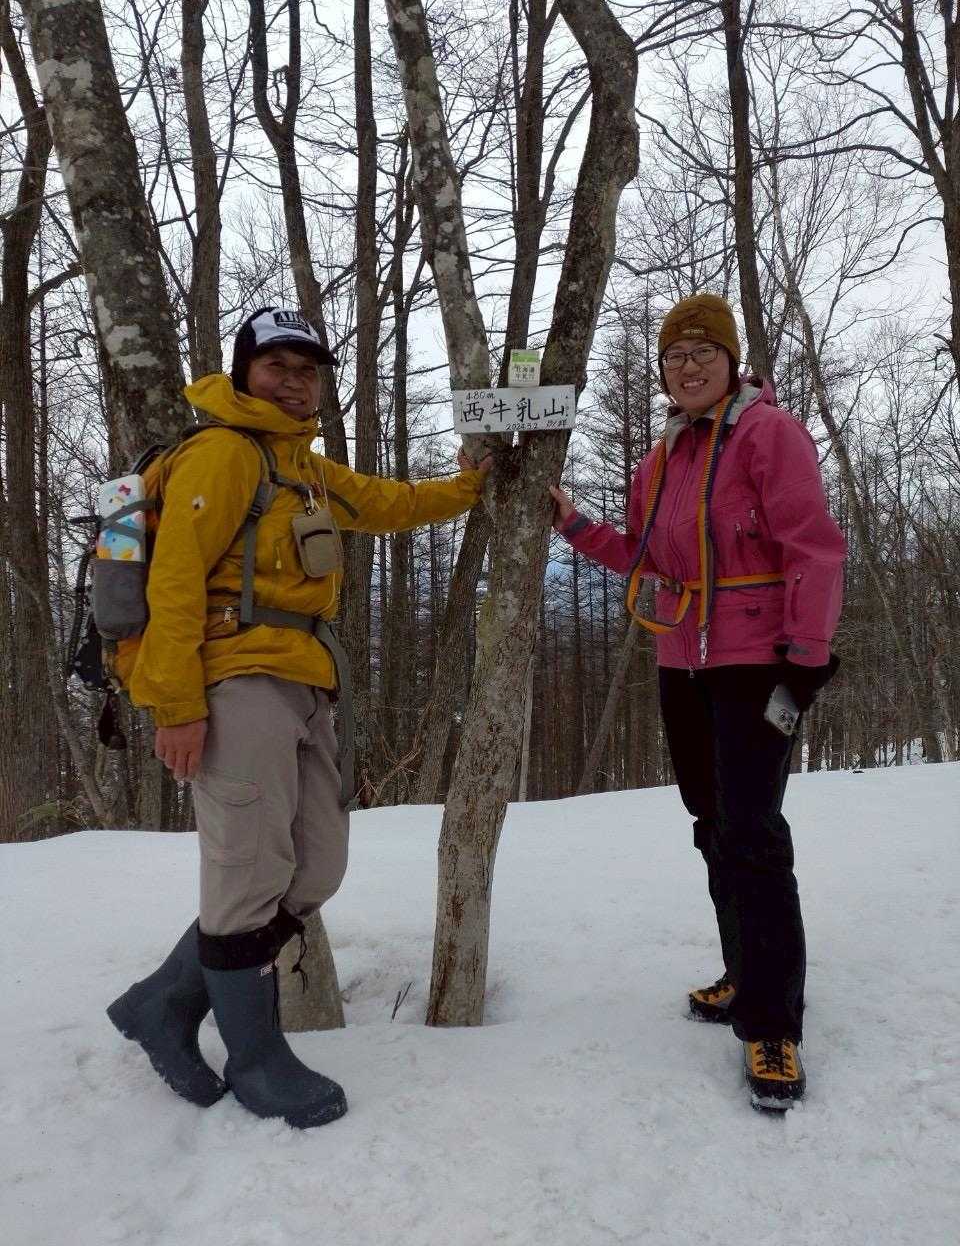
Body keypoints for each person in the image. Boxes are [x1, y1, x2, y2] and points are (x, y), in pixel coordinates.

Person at [106, 306, 491, 1128]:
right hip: (233, 680)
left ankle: (163, 1004)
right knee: (247, 872)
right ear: (244, 372)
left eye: (307, 370)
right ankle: (257, 1058)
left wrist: (468, 486)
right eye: (277, 365)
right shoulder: (223, 453)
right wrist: (176, 706)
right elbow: (175, 581)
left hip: (307, 683)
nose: (293, 381)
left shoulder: (303, 467)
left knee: (314, 868)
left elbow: (387, 502)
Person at [549, 293, 845, 1110]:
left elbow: (814, 548)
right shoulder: (660, 460)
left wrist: (808, 657)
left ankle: (773, 1023)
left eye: (702, 352)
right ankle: (744, 972)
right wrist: (573, 525)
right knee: (712, 823)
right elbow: (644, 557)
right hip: (681, 660)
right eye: (674, 355)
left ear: (730, 360)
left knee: (752, 833)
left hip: (755, 661)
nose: (687, 366)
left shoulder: (768, 434)